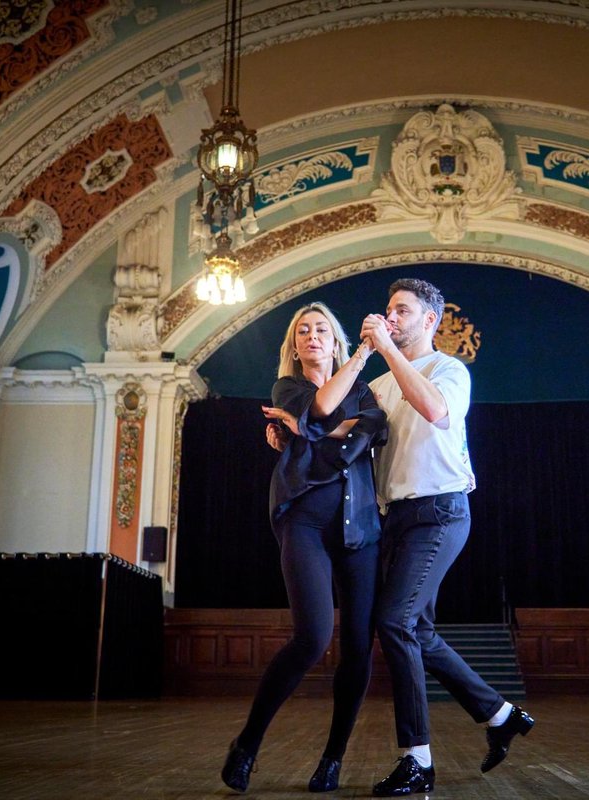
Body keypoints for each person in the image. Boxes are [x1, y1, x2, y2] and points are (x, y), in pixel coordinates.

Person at [359, 278, 535, 797]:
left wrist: (387, 349)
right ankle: (500, 715)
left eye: (402, 310)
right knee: (418, 632)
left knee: (393, 621)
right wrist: (292, 431)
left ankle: (417, 761)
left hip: (440, 511)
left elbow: (436, 412)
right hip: (395, 519)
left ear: (430, 320)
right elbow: (344, 438)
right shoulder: (378, 386)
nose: (390, 316)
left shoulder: (448, 369)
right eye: (388, 309)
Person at [220, 302, 386, 794]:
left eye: (321, 330)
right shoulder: (286, 390)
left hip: (361, 531)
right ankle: (247, 744)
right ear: (295, 346)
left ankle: (332, 759)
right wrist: (323, 419)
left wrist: (313, 431)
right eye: (303, 332)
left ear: (333, 341)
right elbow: (318, 413)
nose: (312, 337)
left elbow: (370, 435)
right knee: (312, 639)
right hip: (305, 524)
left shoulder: (366, 394)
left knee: (358, 646)